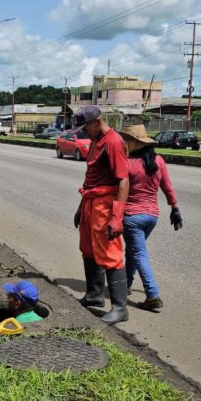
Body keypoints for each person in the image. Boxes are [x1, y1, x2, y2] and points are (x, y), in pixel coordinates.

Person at [72, 106, 131, 325]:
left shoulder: (113, 142)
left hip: (105, 205)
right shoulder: (96, 140)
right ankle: (94, 294)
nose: (83, 132)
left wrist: (117, 217)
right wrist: (80, 208)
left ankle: (120, 308)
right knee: (88, 249)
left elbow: (123, 180)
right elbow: (90, 181)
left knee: (109, 252)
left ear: (97, 121)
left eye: (85, 127)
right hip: (90, 201)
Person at [120, 126, 182, 311]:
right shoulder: (158, 161)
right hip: (151, 217)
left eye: (126, 141)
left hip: (131, 216)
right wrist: (175, 208)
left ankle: (152, 295)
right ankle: (126, 285)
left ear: (135, 143)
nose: (124, 144)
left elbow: (119, 190)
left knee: (138, 253)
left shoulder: (128, 163)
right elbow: (167, 187)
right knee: (133, 251)